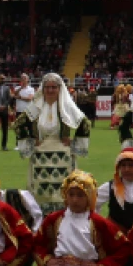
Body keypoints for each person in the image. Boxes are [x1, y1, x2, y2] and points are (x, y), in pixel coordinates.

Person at [15, 72, 91, 211]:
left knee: (63, 191)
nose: (50, 90)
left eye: (54, 87)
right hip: (40, 155)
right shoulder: (35, 107)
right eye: (47, 87)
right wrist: (31, 139)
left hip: (62, 154)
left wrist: (73, 141)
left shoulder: (66, 106)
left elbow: (85, 123)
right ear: (42, 89)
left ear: (59, 89)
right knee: (40, 192)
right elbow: (18, 124)